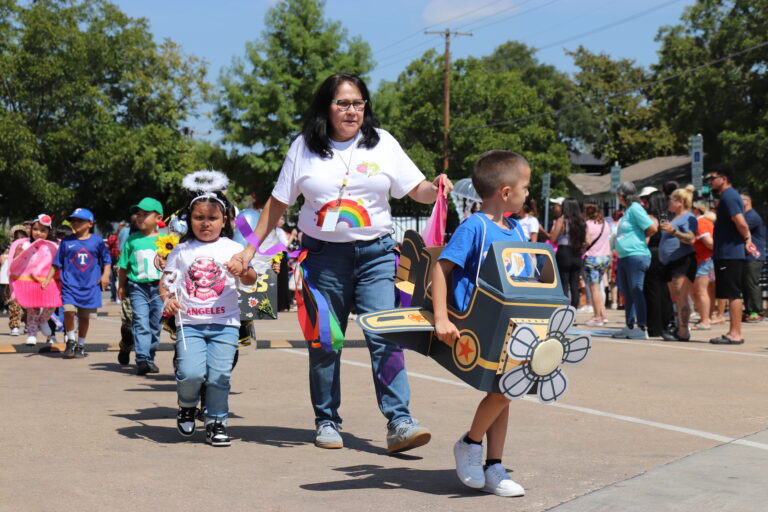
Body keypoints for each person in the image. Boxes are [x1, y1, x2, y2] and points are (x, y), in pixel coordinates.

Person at [226, 73, 450, 453]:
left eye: (358, 103)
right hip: (323, 260)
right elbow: (278, 202)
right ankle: (327, 420)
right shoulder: (304, 147)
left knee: (385, 336)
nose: (352, 111)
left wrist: (436, 187)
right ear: (326, 108)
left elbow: (417, 189)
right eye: (342, 103)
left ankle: (400, 421)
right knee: (326, 341)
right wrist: (249, 249)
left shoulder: (383, 143)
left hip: (377, 257)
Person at [432, 150, 529, 497]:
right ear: (506, 192)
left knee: (504, 394)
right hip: (482, 323)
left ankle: (494, 466)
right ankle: (470, 444)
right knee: (502, 392)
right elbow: (441, 268)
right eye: (525, 186)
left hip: (514, 325)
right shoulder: (475, 226)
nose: (527, 193)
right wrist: (441, 318)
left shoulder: (517, 229)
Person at [161, 190, 257, 447]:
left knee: (219, 376)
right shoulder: (181, 250)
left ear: (223, 220)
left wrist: (243, 269)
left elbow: (251, 279)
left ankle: (217, 422)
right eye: (199, 217)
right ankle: (187, 406)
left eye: (212, 218)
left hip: (225, 324)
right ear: (189, 220)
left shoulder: (235, 249)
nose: (206, 223)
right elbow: (166, 283)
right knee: (190, 373)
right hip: (189, 325)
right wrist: (168, 299)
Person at [42, 208, 110, 358]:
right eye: (73, 220)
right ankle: (71, 340)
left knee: (84, 317)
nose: (75, 223)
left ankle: (81, 344)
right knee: (68, 311)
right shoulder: (67, 241)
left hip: (90, 286)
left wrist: (105, 275)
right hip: (70, 285)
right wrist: (47, 279)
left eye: (80, 220)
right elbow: (57, 263)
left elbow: (106, 260)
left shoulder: (97, 241)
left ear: (90, 223)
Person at [706, 165, 756, 344]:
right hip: (725, 253)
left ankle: (736, 334)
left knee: (733, 292)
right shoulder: (727, 196)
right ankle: (732, 332)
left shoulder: (729, 196)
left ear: (724, 179)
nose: (710, 182)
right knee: (730, 292)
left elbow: (740, 222)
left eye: (712, 178)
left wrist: (747, 239)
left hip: (730, 254)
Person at [117, 198, 164, 374]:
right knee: (140, 322)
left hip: (159, 288)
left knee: (155, 325)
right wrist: (122, 286)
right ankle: (142, 359)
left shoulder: (165, 240)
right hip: (137, 287)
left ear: (158, 218)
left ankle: (150, 357)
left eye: (145, 214)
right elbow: (123, 266)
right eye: (139, 214)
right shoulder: (132, 240)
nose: (141, 217)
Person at [612, 182, 658, 340]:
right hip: (625, 255)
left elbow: (652, 228)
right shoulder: (629, 210)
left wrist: (641, 240)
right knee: (628, 292)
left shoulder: (635, 209)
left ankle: (642, 326)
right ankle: (630, 325)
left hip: (635, 255)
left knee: (636, 290)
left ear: (622, 195)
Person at [8, 214, 59, 345]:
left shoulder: (53, 246)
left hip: (48, 280)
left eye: (43, 230)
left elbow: (59, 262)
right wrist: (18, 253)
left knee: (52, 305)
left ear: (49, 232)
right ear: (30, 230)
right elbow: (16, 262)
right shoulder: (25, 244)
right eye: (35, 229)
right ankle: (32, 334)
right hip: (29, 281)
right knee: (32, 309)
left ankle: (43, 320)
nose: (38, 233)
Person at [658, 187, 698, 341]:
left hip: (682, 261)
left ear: (681, 202)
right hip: (669, 263)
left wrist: (674, 231)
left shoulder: (689, 217)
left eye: (671, 200)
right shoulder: (675, 218)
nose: (668, 203)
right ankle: (678, 327)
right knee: (675, 297)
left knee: (681, 296)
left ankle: (683, 331)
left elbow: (691, 239)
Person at [549, 199, 586, 309]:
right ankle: (573, 311)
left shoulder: (562, 220)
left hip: (564, 252)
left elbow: (553, 238)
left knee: (564, 284)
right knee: (574, 285)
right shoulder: (582, 222)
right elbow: (586, 240)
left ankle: (565, 310)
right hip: (577, 252)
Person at [583, 203, 612, 326]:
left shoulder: (587, 224)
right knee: (599, 288)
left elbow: (587, 241)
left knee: (594, 289)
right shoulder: (606, 224)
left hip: (592, 258)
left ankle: (597, 317)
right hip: (604, 258)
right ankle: (602, 315)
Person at [740, 193, 765, 322]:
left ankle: (757, 311)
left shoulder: (752, 216)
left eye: (740, 199)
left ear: (747, 201)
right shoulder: (744, 215)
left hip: (754, 256)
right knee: (745, 284)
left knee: (751, 283)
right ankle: (749, 310)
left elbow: (740, 229)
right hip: (746, 256)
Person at [690, 200, 715, 330]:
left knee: (700, 291)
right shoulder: (706, 221)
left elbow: (709, 243)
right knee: (700, 291)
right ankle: (705, 318)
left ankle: (705, 320)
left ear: (696, 210)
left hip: (703, 260)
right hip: (704, 259)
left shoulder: (700, 223)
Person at [6, 224, 28, 335]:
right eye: (17, 237)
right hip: (13, 279)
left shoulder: (30, 247)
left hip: (26, 278)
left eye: (22, 236)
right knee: (14, 303)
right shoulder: (9, 249)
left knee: (28, 303)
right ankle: (14, 325)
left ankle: (28, 323)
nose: (20, 239)